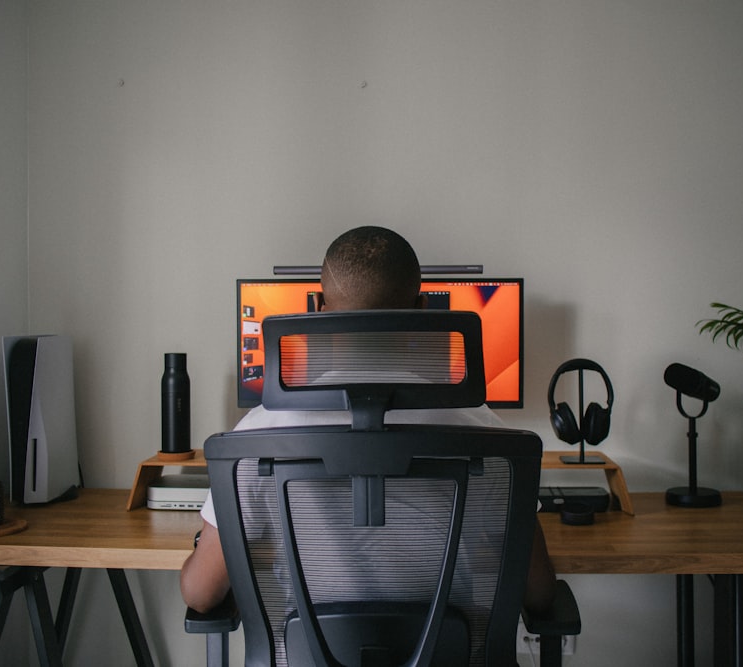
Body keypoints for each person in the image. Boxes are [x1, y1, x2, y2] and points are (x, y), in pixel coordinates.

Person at [180, 226, 556, 617]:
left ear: (321, 315)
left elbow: (201, 594)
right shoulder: (489, 436)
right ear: (423, 312)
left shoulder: (258, 435)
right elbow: (539, 591)